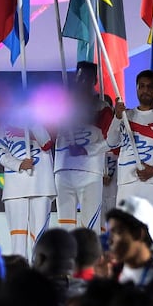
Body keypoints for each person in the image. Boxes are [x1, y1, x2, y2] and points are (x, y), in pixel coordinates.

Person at [106, 70, 153, 236]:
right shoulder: (126, 116)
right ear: (136, 88)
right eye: (141, 86)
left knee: (152, 235)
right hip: (127, 182)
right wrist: (117, 117)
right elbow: (111, 143)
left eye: (150, 87)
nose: (145, 90)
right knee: (124, 234)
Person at [54, 77, 109, 233]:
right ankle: (66, 257)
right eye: (79, 77)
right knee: (65, 226)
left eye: (86, 77)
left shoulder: (101, 108)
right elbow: (48, 137)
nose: (82, 82)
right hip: (63, 171)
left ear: (94, 81)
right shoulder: (62, 106)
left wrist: (88, 150)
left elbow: (112, 140)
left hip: (90, 172)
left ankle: (91, 257)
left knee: (91, 227)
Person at [0, 117, 55, 257]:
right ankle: (19, 273)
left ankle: (38, 273)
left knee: (40, 238)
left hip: (41, 186)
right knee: (18, 238)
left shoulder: (47, 119)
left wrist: (33, 121)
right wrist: (18, 164)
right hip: (15, 188)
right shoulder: (5, 125)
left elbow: (46, 144)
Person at [106, 196, 153, 286]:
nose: (109, 241)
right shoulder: (110, 273)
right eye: (110, 234)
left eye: (117, 233)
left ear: (138, 234)